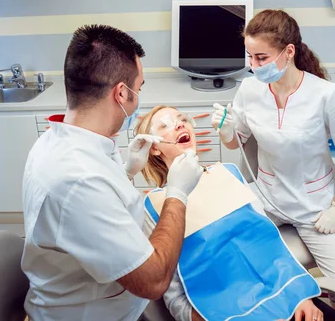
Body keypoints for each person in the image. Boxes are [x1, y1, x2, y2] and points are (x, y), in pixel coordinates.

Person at [21, 25, 204, 320]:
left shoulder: (58, 140)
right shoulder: (77, 179)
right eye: (139, 88)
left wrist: (125, 172)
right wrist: (177, 192)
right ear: (121, 93)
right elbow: (154, 281)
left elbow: (92, 200)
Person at [212, 10, 335, 320]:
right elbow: (236, 142)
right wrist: (226, 131)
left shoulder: (324, 95)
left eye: (261, 57)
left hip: (315, 206)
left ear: (289, 52)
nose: (253, 66)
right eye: (250, 57)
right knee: (224, 255)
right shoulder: (250, 89)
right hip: (267, 197)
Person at [135, 105, 335, 321]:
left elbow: (273, 248)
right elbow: (176, 299)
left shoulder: (230, 174)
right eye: (166, 125)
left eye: (182, 119)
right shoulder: (155, 207)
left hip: (288, 299)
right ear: (154, 148)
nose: (179, 123)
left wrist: (301, 298)